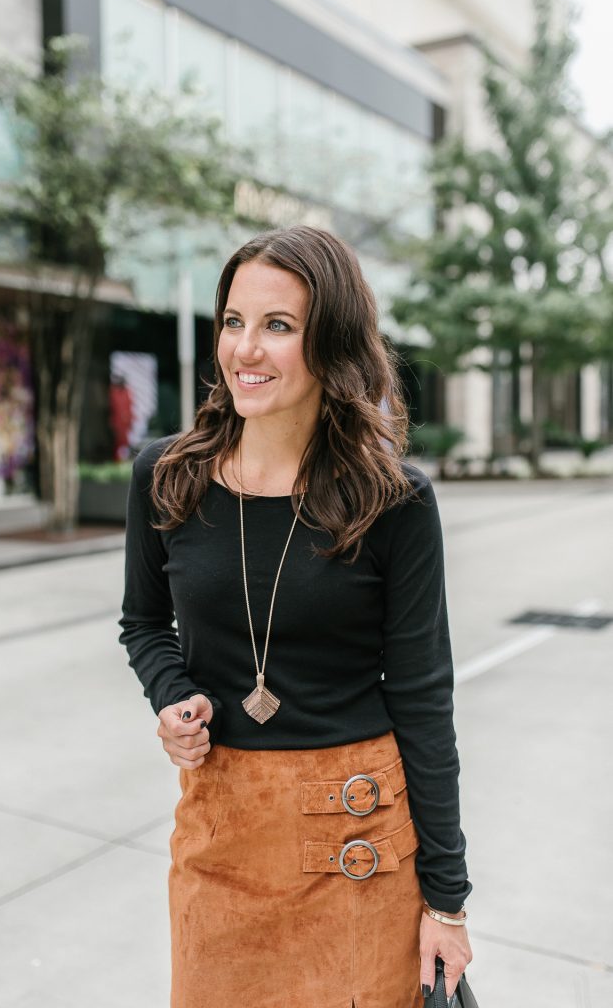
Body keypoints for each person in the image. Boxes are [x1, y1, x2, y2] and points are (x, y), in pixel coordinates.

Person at [118, 226, 473, 1008]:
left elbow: (421, 698)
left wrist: (446, 899)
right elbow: (143, 623)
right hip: (222, 836)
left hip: (357, 841)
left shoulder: (395, 503)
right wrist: (172, 693)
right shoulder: (166, 477)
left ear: (332, 346)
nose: (247, 348)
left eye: (279, 326)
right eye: (235, 321)